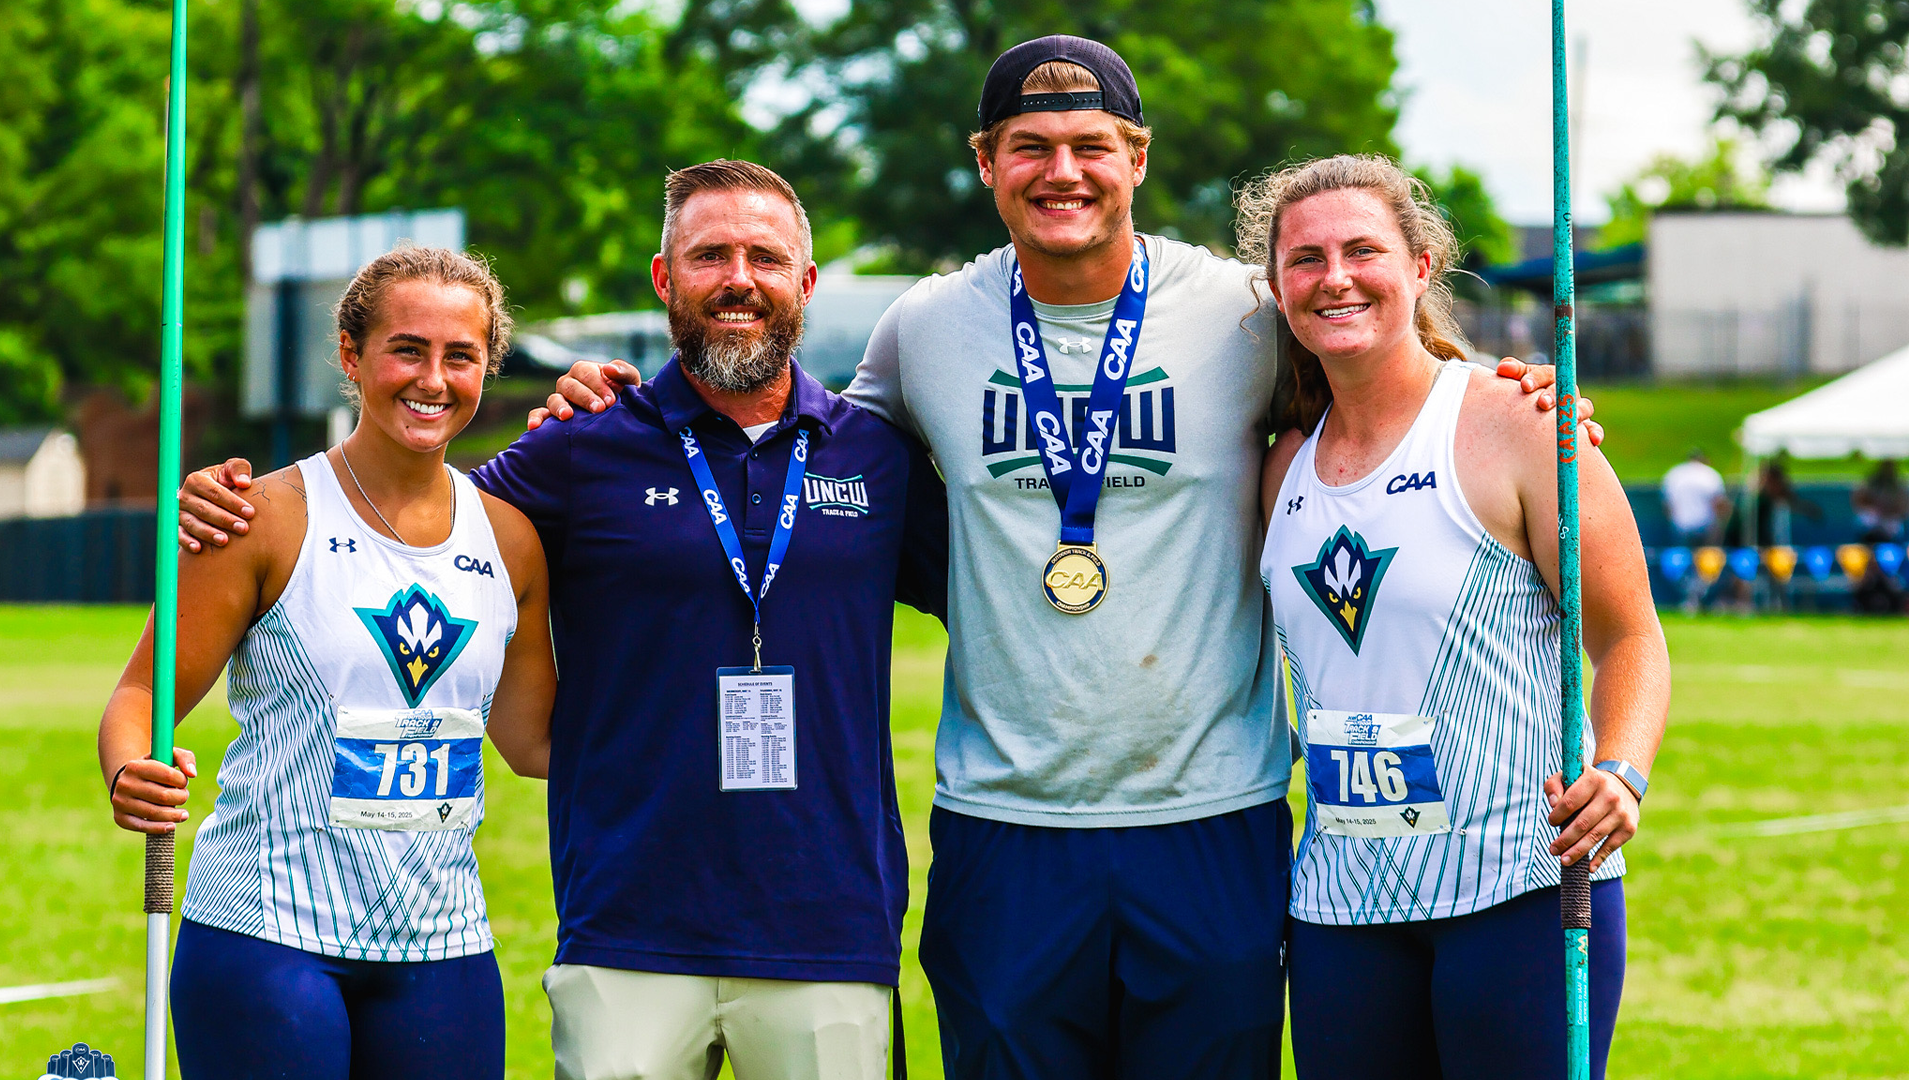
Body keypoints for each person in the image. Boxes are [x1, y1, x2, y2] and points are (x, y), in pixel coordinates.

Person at [541, 37, 1599, 1080]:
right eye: (1029, 145)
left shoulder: (1245, 309)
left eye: (1091, 143)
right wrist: (622, 413)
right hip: (1006, 824)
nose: (1063, 171)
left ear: (1136, 157)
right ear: (985, 162)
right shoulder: (925, 328)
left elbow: (1381, 365)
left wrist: (1513, 397)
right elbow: (785, 449)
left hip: (1210, 814)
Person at [178, 161, 948, 1080]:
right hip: (626, 929)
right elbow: (409, 515)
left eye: (764, 257)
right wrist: (238, 508)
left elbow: (998, 597)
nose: (738, 278)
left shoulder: (879, 457)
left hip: (830, 931)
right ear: (666, 280)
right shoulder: (579, 442)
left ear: (805, 284)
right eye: (709, 255)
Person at [1243, 154, 1670, 1080]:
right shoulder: (1280, 467)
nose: (1337, 277)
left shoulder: (1521, 423)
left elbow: (1630, 635)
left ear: (1422, 264)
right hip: (1341, 905)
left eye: (1364, 249)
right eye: (1306, 259)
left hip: (1522, 886)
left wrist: (1623, 770)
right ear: (1277, 286)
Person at [101, 247, 557, 1079]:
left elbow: (535, 745)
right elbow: (142, 695)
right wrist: (131, 768)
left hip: (443, 944)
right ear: (352, 356)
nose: (433, 378)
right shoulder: (257, 517)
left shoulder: (512, 540)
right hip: (265, 939)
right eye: (407, 349)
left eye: (462, 356)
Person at [1662, 448, 1728, 547]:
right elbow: (1718, 503)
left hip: (1681, 524)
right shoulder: (1709, 474)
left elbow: (1668, 505)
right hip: (1705, 524)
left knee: (1682, 557)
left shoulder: (1674, 474)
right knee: (1705, 558)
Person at [1852, 459, 1907, 543]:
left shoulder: (1898, 484)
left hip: (1890, 517)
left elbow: (1903, 507)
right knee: (1868, 519)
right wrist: (1873, 509)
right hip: (1873, 516)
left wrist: (1889, 512)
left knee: (1893, 525)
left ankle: (1891, 548)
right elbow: (1859, 500)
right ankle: (1866, 546)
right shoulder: (1871, 481)